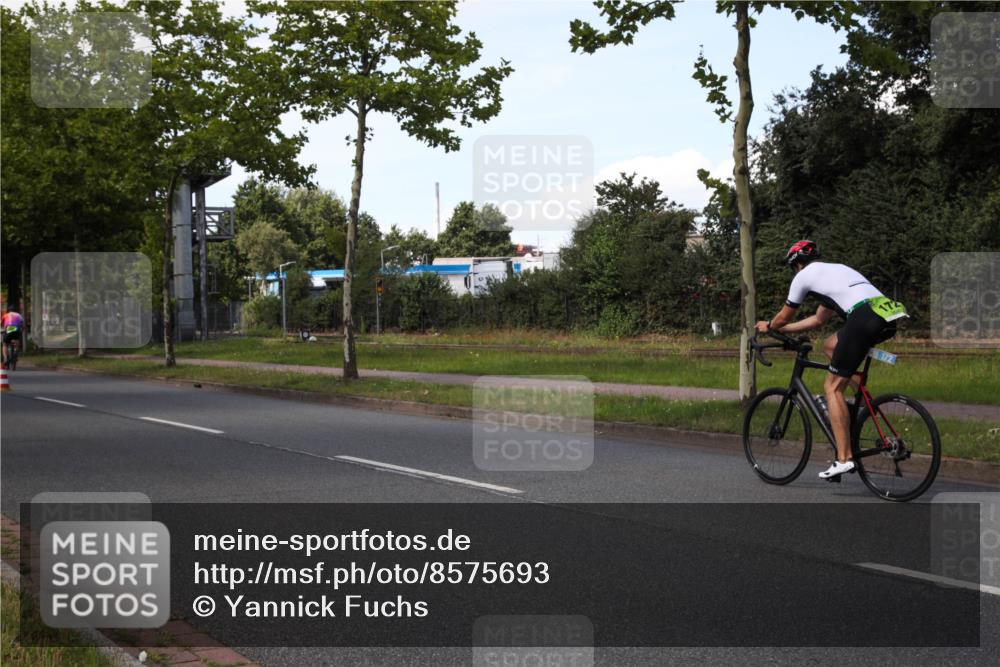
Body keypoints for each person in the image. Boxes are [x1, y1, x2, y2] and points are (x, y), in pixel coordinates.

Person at [755, 241, 907, 479]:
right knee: (829, 346)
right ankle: (865, 403)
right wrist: (785, 331)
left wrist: (770, 327)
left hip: (863, 318)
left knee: (832, 388)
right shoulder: (835, 271)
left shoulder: (803, 276)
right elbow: (817, 320)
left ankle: (843, 459)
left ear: (796, 264)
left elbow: (784, 316)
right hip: (885, 316)